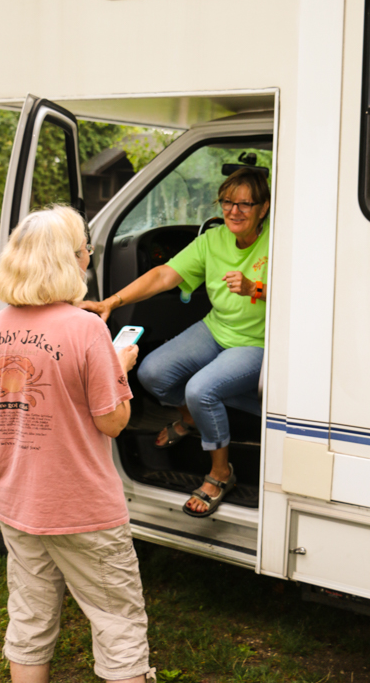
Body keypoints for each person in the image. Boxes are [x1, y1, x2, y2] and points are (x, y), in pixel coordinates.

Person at [0, 205, 155, 683]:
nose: (89, 257)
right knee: (118, 624)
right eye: (85, 249)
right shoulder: (86, 328)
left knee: (30, 618)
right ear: (68, 259)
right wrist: (119, 367)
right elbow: (112, 421)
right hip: (82, 507)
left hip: (18, 501)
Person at [82, 168, 270, 518]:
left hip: (258, 342)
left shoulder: (278, 238)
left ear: (264, 207)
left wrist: (254, 288)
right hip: (217, 328)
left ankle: (220, 473)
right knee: (152, 373)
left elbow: (301, 294)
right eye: (227, 202)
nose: (234, 211)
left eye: (245, 204)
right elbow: (164, 276)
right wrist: (112, 302)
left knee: (202, 390)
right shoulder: (213, 240)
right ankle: (192, 416)